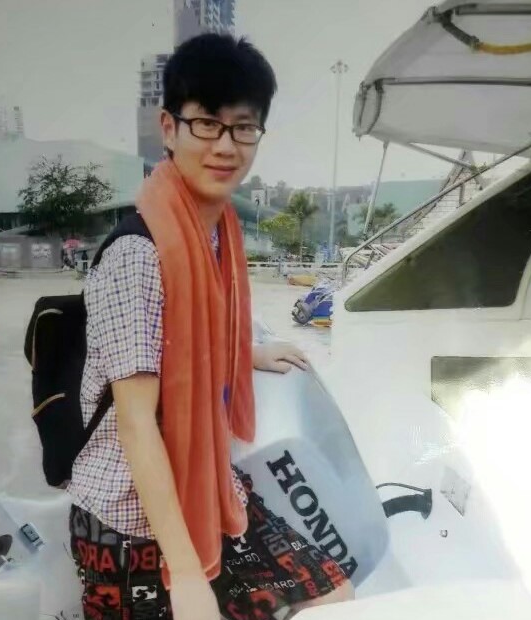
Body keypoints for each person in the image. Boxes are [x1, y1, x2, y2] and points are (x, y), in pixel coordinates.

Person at [67, 33, 353, 620]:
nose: (225, 146)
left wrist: (246, 352)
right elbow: (136, 423)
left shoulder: (217, 234)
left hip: (207, 484)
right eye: (206, 124)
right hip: (130, 517)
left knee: (333, 595)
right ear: (169, 128)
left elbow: (195, 337)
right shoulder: (138, 254)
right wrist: (187, 577)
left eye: (243, 127)